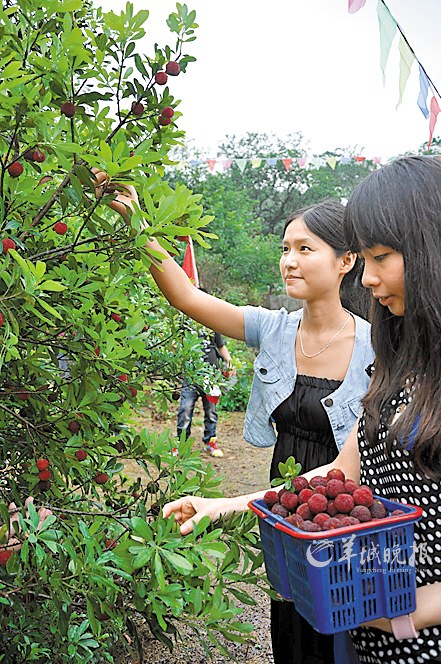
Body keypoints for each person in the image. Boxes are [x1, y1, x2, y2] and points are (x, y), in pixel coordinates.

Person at [163, 156, 441, 664]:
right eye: (284, 248)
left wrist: (401, 613)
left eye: (381, 257)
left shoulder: (374, 347)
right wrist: (221, 507)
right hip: (358, 604)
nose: (372, 279)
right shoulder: (401, 363)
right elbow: (339, 473)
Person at [93, 170, 374, 664]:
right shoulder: (273, 329)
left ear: (347, 260)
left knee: (348, 626)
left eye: (305, 249)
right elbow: (185, 296)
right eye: (285, 248)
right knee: (289, 614)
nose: (289, 261)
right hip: (284, 494)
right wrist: (137, 222)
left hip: (345, 500)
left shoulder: (378, 345)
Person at [177, 318, 233, 457]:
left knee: (211, 412)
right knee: (185, 409)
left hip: (211, 377)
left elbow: (221, 346)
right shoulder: (186, 324)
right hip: (191, 376)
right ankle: (181, 444)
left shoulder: (211, 324)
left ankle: (210, 442)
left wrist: (230, 363)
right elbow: (177, 344)